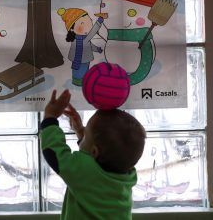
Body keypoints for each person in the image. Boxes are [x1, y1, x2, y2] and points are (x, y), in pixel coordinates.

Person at [40, 89, 146, 220]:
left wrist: (50, 117)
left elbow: (54, 152)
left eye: (85, 137)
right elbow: (95, 159)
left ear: (95, 152)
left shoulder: (85, 173)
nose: (83, 137)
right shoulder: (127, 175)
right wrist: (80, 132)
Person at [57, 8, 107, 86]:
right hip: (82, 59)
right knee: (81, 71)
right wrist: (99, 21)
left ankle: (81, 80)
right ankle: (81, 82)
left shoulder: (83, 38)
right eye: (82, 23)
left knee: (82, 71)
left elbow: (89, 45)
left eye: (89, 20)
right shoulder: (81, 38)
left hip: (81, 59)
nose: (88, 25)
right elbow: (93, 32)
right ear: (72, 29)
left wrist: (97, 49)